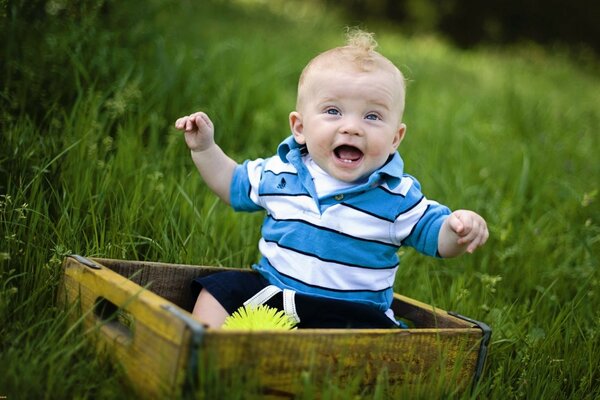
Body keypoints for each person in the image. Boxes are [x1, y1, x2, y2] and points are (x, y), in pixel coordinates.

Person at [175, 29, 488, 329]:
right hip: (278, 294)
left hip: (351, 314)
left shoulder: (396, 195)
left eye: (372, 116)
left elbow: (436, 239)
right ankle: (203, 349)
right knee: (218, 290)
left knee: (375, 337)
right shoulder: (282, 172)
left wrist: (455, 230)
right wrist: (205, 148)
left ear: (396, 137)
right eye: (333, 111)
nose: (352, 127)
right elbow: (232, 185)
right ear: (300, 128)